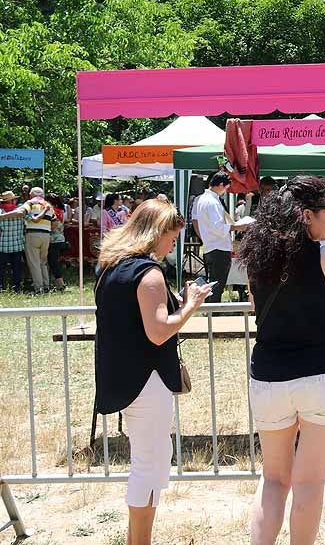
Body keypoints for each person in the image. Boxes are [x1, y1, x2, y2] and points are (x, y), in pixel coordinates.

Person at [238, 176, 325, 545]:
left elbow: (257, 307)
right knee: (309, 481)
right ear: (305, 215)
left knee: (273, 480)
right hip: (321, 376)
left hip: (269, 375)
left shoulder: (257, 261)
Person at [94, 199, 213, 545]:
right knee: (150, 467)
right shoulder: (148, 273)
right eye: (172, 239)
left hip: (123, 376)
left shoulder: (112, 266)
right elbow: (159, 330)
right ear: (156, 233)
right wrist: (190, 306)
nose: (172, 246)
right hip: (147, 380)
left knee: (148, 463)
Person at [192, 172, 240, 303]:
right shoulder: (212, 201)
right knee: (217, 285)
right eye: (226, 187)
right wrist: (237, 227)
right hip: (218, 247)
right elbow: (218, 228)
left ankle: (210, 311)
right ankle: (214, 312)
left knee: (211, 284)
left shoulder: (202, 199)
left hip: (210, 246)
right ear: (220, 185)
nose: (226, 191)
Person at [0, 187, 56, 294]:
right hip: (46, 236)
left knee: (34, 263)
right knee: (43, 262)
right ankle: (46, 286)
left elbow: (21, 212)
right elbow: (54, 224)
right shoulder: (48, 205)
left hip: (32, 235)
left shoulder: (30, 203)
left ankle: (38, 289)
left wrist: (2, 217)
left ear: (31, 195)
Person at [0, 190, 24, 292]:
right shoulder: (20, 210)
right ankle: (16, 288)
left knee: (1, 269)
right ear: (13, 200)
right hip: (17, 244)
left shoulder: (1, 211)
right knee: (16, 268)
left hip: (2, 245)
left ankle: (1, 287)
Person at [45, 194, 68, 291]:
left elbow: (53, 226)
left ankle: (60, 284)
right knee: (53, 262)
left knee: (53, 262)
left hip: (53, 240)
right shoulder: (61, 211)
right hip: (60, 239)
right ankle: (56, 282)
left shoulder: (53, 211)